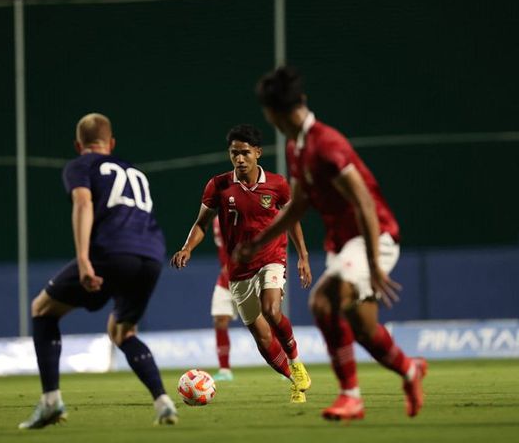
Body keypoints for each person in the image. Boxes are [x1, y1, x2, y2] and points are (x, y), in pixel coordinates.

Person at [237, 66, 427, 421]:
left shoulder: (327, 145)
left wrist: (372, 262)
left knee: (324, 301)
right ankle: (411, 371)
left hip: (373, 236)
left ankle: (350, 397)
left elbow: (365, 203)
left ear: (272, 114)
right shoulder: (297, 148)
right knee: (364, 328)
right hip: (343, 244)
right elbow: (298, 205)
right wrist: (259, 241)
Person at [19, 113, 178, 429]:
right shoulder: (134, 171)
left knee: (41, 310)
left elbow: (83, 204)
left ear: (79, 145)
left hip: (112, 251)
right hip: (152, 256)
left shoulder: (81, 165)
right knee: (122, 331)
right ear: (112, 143)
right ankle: (163, 402)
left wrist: (83, 259)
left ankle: (50, 402)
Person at [171, 124, 313, 403]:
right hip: (239, 270)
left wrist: (304, 256)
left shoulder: (277, 184)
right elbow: (201, 223)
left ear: (257, 153)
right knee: (261, 336)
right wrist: (187, 247)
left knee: (272, 310)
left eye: (245, 152)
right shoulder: (219, 185)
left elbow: (291, 220)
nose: (239, 158)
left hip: (272, 257)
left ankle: (296, 361)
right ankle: (293, 379)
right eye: (234, 153)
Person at [211, 216, 236, 381]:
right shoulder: (217, 221)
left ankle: (288, 364)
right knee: (220, 320)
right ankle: (225, 369)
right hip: (226, 280)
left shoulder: (247, 213)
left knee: (269, 320)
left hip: (251, 277)